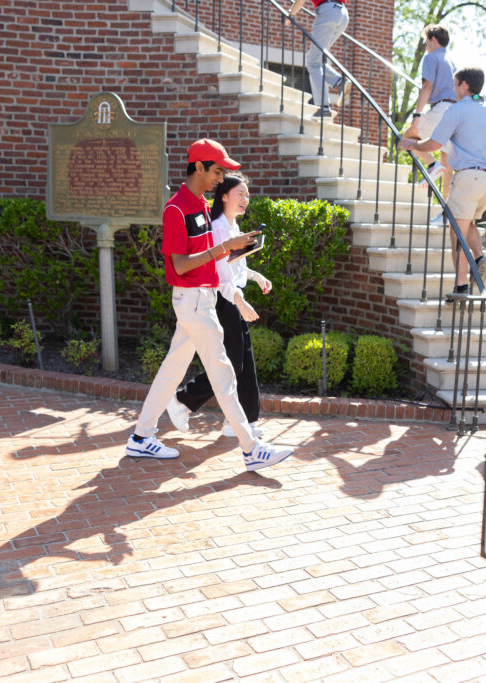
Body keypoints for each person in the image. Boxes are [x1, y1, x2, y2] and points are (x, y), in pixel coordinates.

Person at [125, 139, 294, 472]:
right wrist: (223, 249)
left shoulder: (200, 205)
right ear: (199, 167)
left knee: (171, 371)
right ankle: (251, 448)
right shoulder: (177, 209)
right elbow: (181, 264)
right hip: (193, 302)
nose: (220, 179)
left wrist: (234, 252)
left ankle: (141, 437)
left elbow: (207, 261)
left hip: (202, 299)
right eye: (217, 171)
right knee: (223, 373)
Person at [170, 172, 273, 438]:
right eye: (240, 193)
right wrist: (239, 300)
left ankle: (243, 422)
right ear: (224, 195)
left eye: (247, 195)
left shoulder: (233, 228)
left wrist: (255, 276)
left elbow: (235, 268)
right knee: (230, 364)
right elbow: (218, 276)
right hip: (223, 302)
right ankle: (183, 399)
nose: (245, 199)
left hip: (234, 299)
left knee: (244, 363)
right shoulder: (217, 228)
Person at [398, 67, 486, 294]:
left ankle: (461, 286)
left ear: (464, 85)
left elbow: (435, 144)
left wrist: (414, 145)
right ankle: (479, 258)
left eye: (455, 83)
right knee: (467, 223)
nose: (453, 87)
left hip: (469, 177)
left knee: (456, 231)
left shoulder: (457, 110)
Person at [403, 25, 456, 199]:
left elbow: (427, 86)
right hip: (454, 111)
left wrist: (417, 115)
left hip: (441, 108)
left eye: (426, 41)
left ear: (433, 39)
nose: (426, 45)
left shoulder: (431, 58)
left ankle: (432, 164)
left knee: (407, 138)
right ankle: (447, 213)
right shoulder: (452, 61)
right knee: (447, 165)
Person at [288, 0, 351, 119]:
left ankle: (324, 108)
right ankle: (339, 81)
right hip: (342, 15)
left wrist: (290, 14)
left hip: (328, 13)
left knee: (313, 63)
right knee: (315, 59)